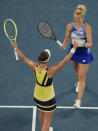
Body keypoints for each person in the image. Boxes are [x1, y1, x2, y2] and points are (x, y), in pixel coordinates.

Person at [11, 41, 77, 131]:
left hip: (37, 97)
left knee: (42, 114)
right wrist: (74, 49)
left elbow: (24, 58)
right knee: (47, 123)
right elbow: (65, 61)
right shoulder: (50, 71)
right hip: (48, 99)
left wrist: (15, 48)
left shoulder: (34, 66)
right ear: (48, 60)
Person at [61, 4, 94, 108]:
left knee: (82, 76)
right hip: (73, 50)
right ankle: (79, 83)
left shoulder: (87, 27)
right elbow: (67, 38)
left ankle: (78, 101)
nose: (76, 20)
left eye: (78, 19)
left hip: (83, 51)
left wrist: (80, 44)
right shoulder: (70, 26)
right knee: (76, 71)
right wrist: (64, 45)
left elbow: (90, 43)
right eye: (74, 18)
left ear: (82, 18)